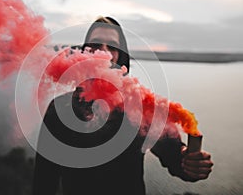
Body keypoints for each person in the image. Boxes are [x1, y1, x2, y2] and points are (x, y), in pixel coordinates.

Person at [33, 16, 213, 195]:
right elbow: (44, 179)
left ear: (121, 57)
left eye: (112, 47)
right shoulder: (59, 108)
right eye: (95, 45)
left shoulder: (140, 107)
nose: (104, 53)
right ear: (84, 53)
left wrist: (189, 162)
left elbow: (174, 156)